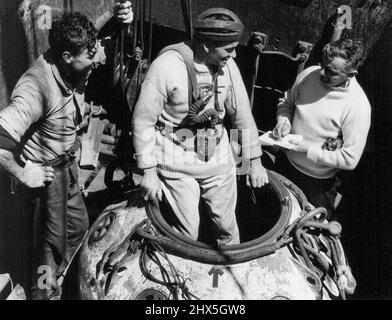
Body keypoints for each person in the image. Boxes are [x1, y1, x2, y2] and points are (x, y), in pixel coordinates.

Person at [0, 1, 133, 300]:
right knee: (50, 245)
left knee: (78, 227)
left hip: (68, 165)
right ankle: (43, 294)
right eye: (90, 54)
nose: (96, 57)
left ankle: (60, 276)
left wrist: (123, 21)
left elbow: (104, 46)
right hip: (47, 175)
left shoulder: (76, 60)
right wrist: (24, 174)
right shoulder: (36, 88)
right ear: (66, 56)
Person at [131, 8, 268, 245]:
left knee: (227, 228)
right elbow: (143, 121)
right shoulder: (166, 67)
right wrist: (149, 172)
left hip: (217, 156)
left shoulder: (228, 68)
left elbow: (242, 117)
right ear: (207, 46)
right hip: (176, 159)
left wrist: (254, 162)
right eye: (229, 49)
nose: (234, 55)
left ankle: (225, 273)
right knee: (186, 234)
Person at [272, 38, 371, 218]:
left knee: (309, 235)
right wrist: (283, 120)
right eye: (322, 64)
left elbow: (350, 159)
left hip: (317, 185)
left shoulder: (357, 105)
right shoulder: (310, 73)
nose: (322, 72)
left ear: (351, 74)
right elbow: (287, 102)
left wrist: (306, 150)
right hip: (285, 165)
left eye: (331, 72)